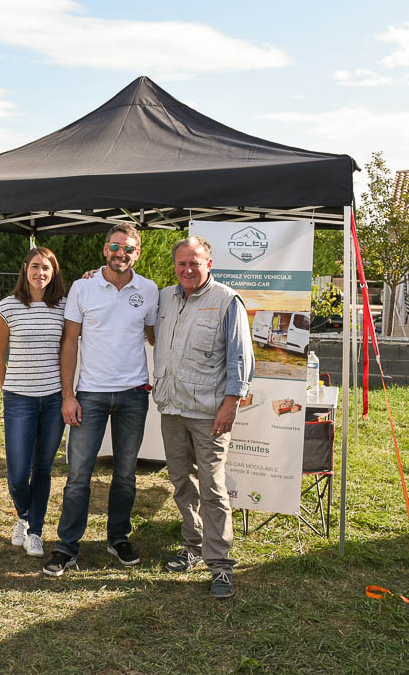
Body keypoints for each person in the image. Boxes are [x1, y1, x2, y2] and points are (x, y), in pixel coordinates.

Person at [43, 223, 159, 577]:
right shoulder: (83, 287)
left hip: (133, 395)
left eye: (128, 248)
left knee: (125, 474)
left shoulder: (149, 289)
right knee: (79, 474)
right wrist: (68, 395)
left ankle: (118, 538)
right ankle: (66, 547)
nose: (121, 253)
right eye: (115, 247)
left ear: (137, 254)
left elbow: (153, 334)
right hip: (90, 394)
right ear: (105, 250)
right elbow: (69, 343)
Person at [152, 237, 253, 599]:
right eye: (182, 263)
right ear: (174, 266)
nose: (188, 270)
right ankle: (193, 545)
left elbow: (240, 357)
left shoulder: (227, 300)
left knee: (212, 487)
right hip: (172, 408)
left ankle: (220, 563)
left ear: (209, 264)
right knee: (181, 481)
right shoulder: (165, 297)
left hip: (209, 412)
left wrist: (231, 404)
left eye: (195, 263)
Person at [0, 247, 67, 558]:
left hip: (53, 400)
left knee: (43, 468)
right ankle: (23, 516)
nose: (40, 273)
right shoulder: (7, 307)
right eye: (35, 266)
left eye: (46, 268)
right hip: (19, 400)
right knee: (18, 474)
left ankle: (34, 531)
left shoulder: (63, 307)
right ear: (25, 269)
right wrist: (6, 388)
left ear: (54, 272)